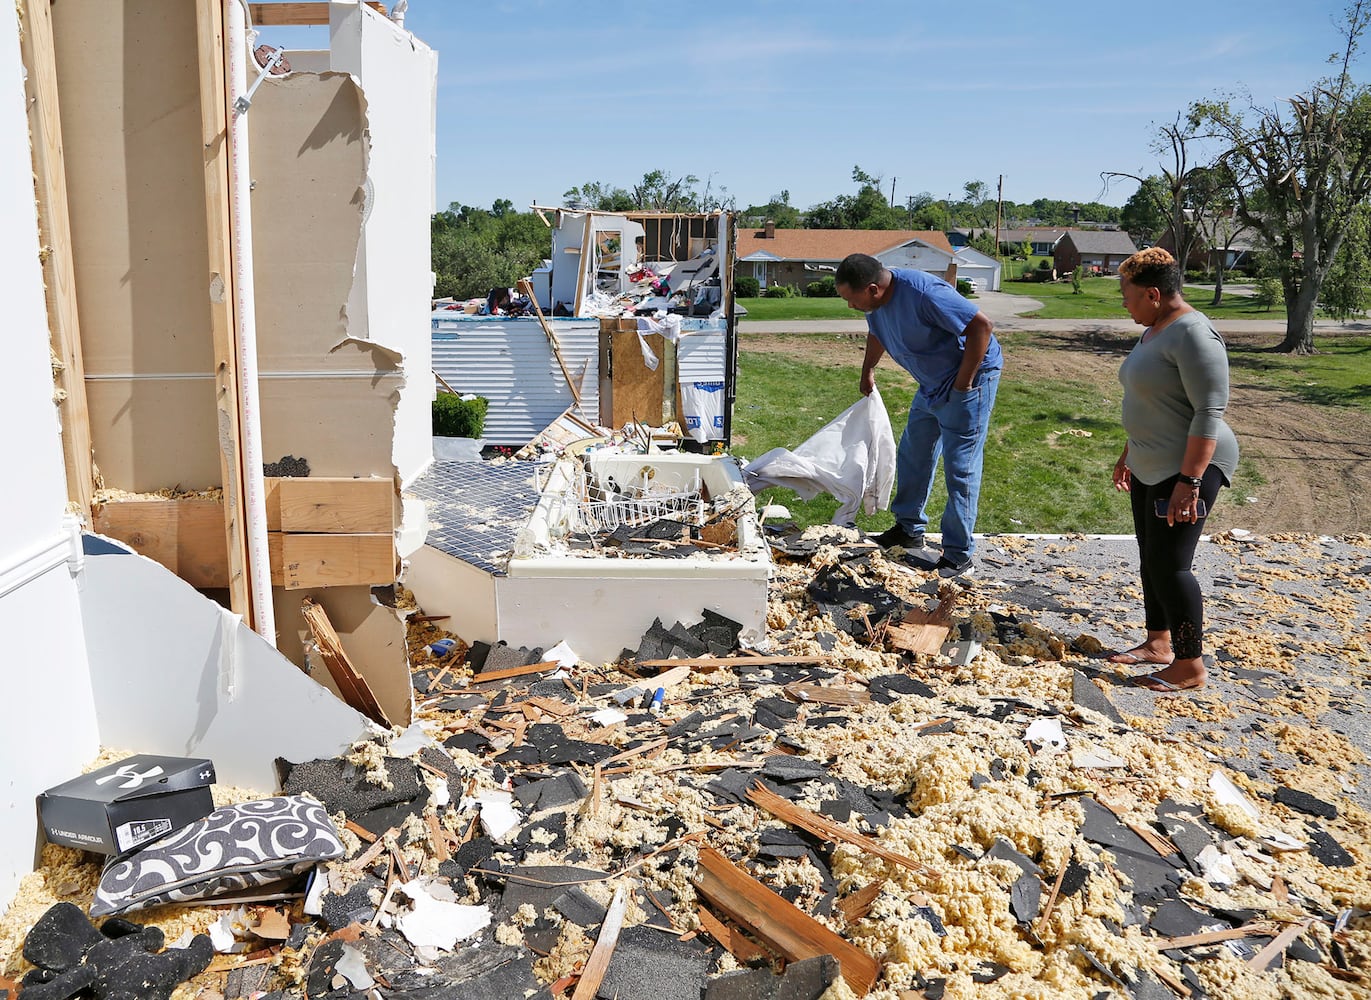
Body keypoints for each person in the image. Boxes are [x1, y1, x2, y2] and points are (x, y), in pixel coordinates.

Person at [1109, 247, 1239, 692]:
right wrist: (1130, 451)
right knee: (1152, 557)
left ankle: (1189, 666)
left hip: (1190, 466)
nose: (1123, 304)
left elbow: (1209, 412)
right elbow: (1155, 400)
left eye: (1127, 295)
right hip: (1151, 461)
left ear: (1153, 294)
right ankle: (1158, 643)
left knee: (1171, 565)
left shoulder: (1194, 334)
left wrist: (1190, 481)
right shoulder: (1154, 329)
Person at [835, 253, 1002, 578]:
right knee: (914, 453)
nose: (850, 307)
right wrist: (868, 368)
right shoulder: (876, 306)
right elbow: (878, 332)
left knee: (961, 467)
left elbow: (982, 326)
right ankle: (908, 529)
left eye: (850, 299)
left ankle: (958, 555)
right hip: (932, 382)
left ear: (872, 289)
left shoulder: (924, 293)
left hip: (969, 380)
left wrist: (963, 385)